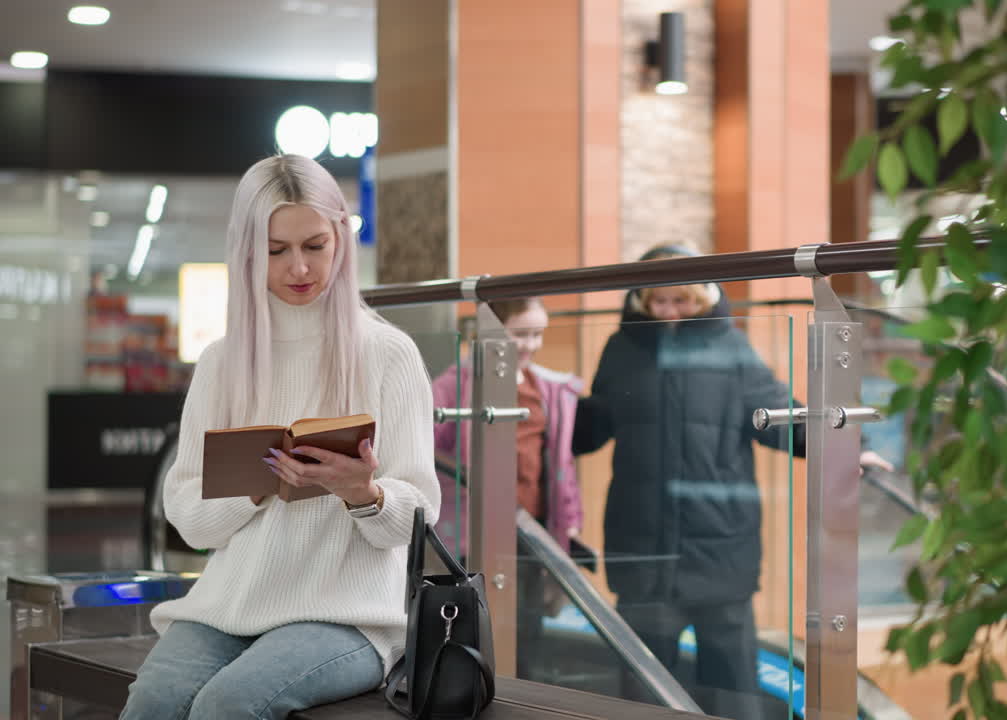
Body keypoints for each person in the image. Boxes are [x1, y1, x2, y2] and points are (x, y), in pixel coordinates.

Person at [121, 155, 440, 720]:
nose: (299, 267)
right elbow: (187, 514)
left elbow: (421, 515)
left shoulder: (388, 353)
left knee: (229, 705)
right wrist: (254, 486)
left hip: (351, 614)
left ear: (341, 237)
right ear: (247, 251)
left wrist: (363, 495)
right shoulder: (223, 362)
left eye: (315, 245)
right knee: (152, 703)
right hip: (228, 604)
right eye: (276, 250)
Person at [572, 244, 804, 720]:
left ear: (703, 297)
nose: (669, 312)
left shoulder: (731, 347)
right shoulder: (621, 348)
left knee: (734, 692)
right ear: (640, 300)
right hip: (643, 556)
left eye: (682, 301)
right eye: (658, 302)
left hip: (721, 557)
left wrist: (843, 446)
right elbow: (591, 429)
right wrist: (553, 408)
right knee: (640, 696)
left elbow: (780, 416)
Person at [431, 296, 584, 679]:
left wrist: (570, 521)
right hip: (475, 534)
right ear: (491, 336)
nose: (531, 345)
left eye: (538, 334)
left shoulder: (548, 388)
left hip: (530, 531)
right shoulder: (456, 384)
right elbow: (427, 442)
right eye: (521, 334)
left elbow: (561, 465)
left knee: (527, 633)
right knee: (475, 633)